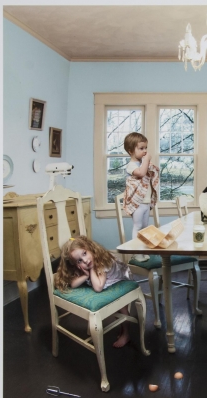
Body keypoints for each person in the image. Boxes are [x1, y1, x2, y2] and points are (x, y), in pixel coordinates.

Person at [54, 236, 133, 348]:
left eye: (85, 253)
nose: (85, 261)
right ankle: (122, 329)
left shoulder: (101, 262)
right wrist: (85, 275)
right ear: (77, 264)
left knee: (122, 308)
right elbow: (73, 284)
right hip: (103, 280)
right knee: (119, 310)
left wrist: (91, 270)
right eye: (79, 260)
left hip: (119, 277)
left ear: (90, 248)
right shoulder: (84, 267)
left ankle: (126, 333)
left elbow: (98, 287)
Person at [123, 132, 159, 262]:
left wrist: (147, 163)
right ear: (131, 151)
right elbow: (142, 173)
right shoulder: (132, 165)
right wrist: (146, 160)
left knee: (144, 227)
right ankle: (136, 252)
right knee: (137, 227)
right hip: (138, 203)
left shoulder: (142, 163)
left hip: (146, 202)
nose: (145, 151)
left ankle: (142, 250)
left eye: (146, 148)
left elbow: (149, 173)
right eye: (141, 148)